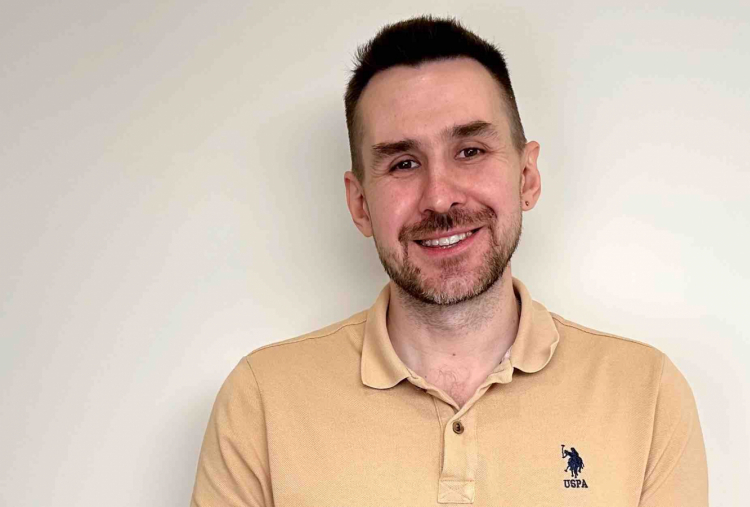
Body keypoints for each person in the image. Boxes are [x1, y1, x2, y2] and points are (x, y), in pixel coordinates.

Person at [190, 16, 708, 507]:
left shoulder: (646, 394)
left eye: (470, 151)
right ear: (359, 203)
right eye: (404, 163)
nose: (439, 197)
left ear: (527, 177)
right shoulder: (262, 400)